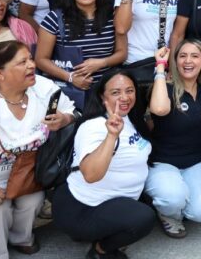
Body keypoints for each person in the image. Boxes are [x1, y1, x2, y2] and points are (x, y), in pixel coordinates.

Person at [0, 41, 75, 258]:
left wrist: (64, 119)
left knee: (32, 201)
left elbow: (72, 111)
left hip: (30, 171)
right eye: (22, 62)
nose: (32, 65)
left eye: (30, 59)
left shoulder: (43, 87)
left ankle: (20, 238)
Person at [52, 69, 156, 258]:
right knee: (145, 218)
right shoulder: (94, 127)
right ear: (102, 97)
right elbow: (91, 175)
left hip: (111, 201)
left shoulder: (130, 117)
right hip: (83, 208)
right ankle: (101, 249)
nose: (124, 97)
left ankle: (108, 229)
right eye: (115, 92)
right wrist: (111, 136)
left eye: (129, 90)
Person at [145, 41, 201, 238]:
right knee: (172, 199)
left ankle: (179, 200)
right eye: (182, 56)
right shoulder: (164, 87)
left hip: (194, 161)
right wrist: (160, 66)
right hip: (163, 162)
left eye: (194, 56)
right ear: (175, 62)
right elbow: (159, 109)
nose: (188, 61)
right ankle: (168, 212)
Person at [35, 0, 127, 110]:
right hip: (67, 94)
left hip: (106, 93)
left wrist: (101, 63)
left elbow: (122, 53)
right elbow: (41, 59)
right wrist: (71, 78)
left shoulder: (112, 16)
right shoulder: (55, 18)